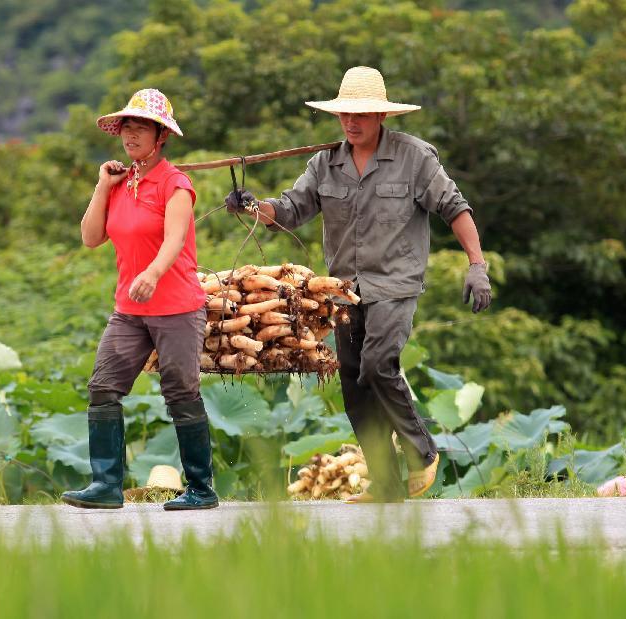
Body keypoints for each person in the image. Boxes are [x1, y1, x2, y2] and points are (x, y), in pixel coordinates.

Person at [225, 67, 492, 503]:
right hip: (343, 290)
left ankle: (422, 451)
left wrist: (477, 265)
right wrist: (253, 206)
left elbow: (455, 208)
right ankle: (386, 483)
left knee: (378, 363)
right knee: (352, 380)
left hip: (394, 284)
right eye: (345, 114)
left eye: (362, 115)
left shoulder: (414, 158)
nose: (352, 123)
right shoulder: (324, 164)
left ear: (381, 116)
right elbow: (290, 210)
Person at [62, 89, 219, 511]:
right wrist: (101, 185)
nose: (131, 134)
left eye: (141, 127)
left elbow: (174, 240)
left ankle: (201, 490)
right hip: (130, 311)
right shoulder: (120, 182)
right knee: (103, 387)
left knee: (181, 392)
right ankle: (106, 486)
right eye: (126, 126)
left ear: (160, 136)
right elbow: (90, 237)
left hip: (178, 308)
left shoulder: (175, 184)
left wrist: (152, 272)